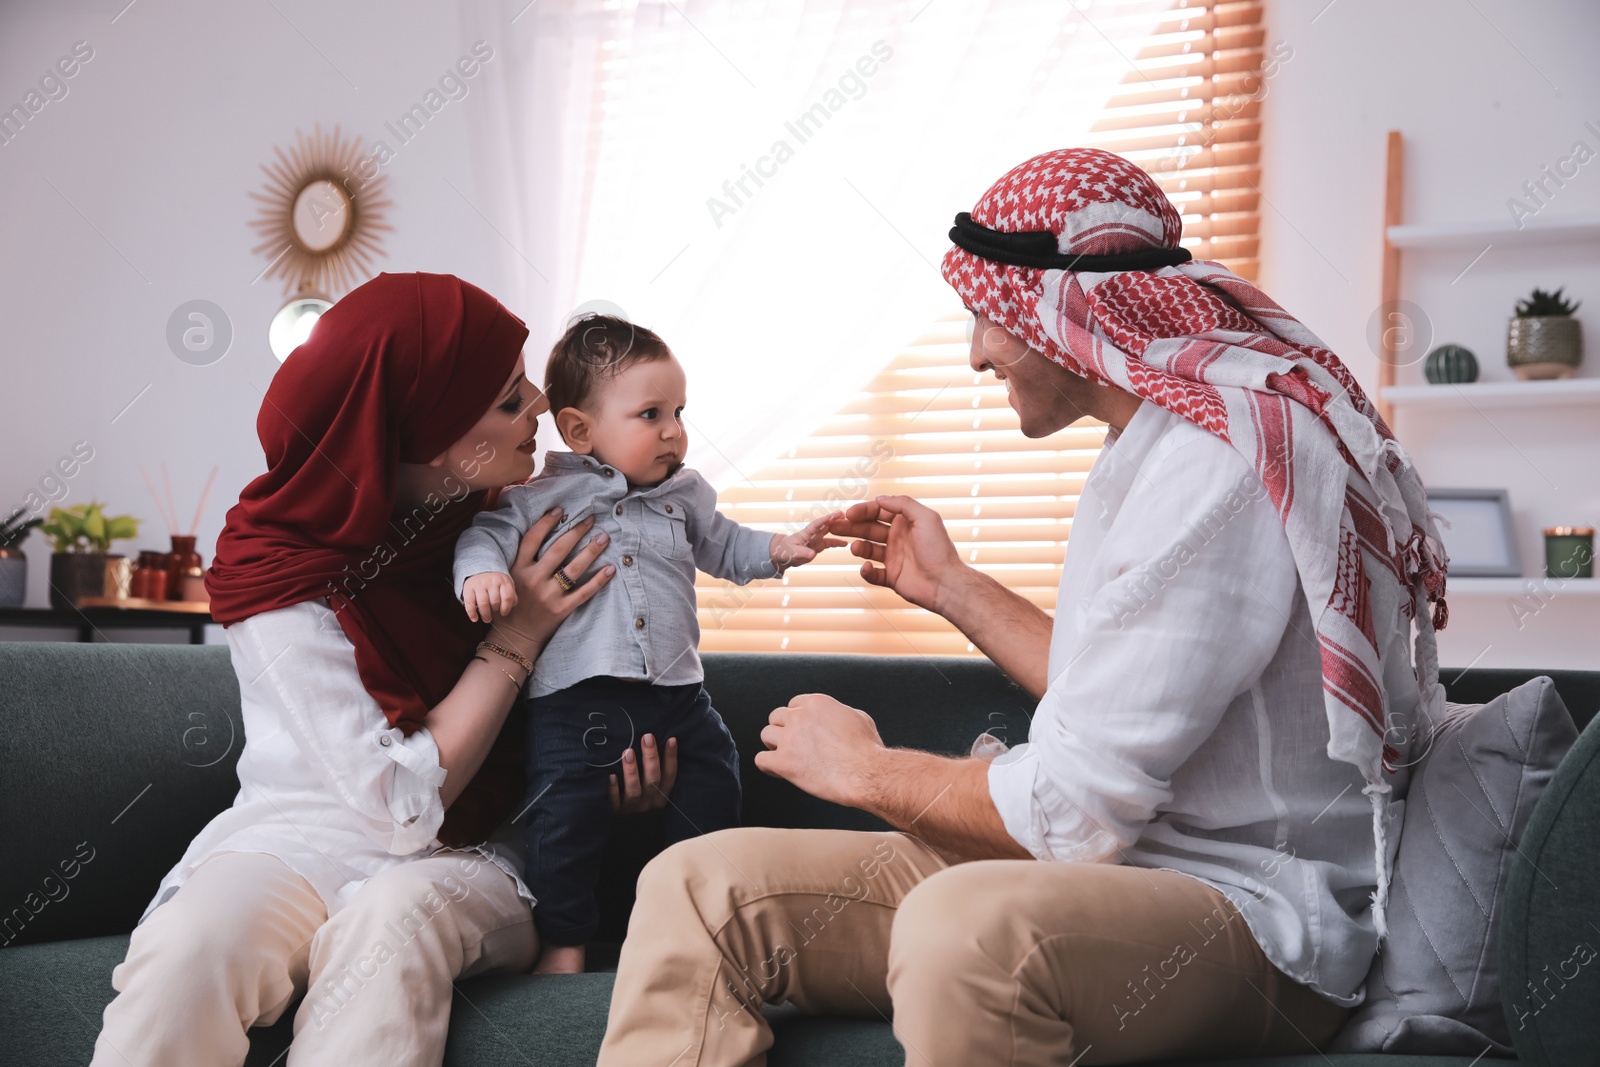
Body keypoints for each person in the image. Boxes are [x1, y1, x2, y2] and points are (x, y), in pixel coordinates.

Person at [596, 148, 1450, 1066]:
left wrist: (867, 770)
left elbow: (1075, 807)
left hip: (1253, 913)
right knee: (696, 883)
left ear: (1058, 314)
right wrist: (954, 589)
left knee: (969, 926)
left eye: (984, 315)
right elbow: (1111, 699)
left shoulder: (1221, 465)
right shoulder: (1143, 449)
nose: (973, 353)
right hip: (1115, 876)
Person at [91, 272, 678, 1067]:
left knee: (389, 924)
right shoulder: (279, 567)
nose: (540, 403)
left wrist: (615, 771)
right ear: (426, 435)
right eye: (509, 399)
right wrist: (518, 634)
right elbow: (398, 805)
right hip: (306, 831)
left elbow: (614, 677)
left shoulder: (518, 526)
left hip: (478, 848)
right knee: (192, 948)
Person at [453, 314, 843, 974]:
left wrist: (778, 549)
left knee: (716, 776)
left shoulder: (684, 495)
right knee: (563, 818)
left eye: (679, 411)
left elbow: (725, 542)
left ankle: (696, 919)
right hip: (577, 703)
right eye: (650, 413)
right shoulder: (543, 494)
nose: (674, 431)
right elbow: (482, 535)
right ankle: (565, 939)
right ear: (580, 430)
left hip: (678, 696)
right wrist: (483, 574)